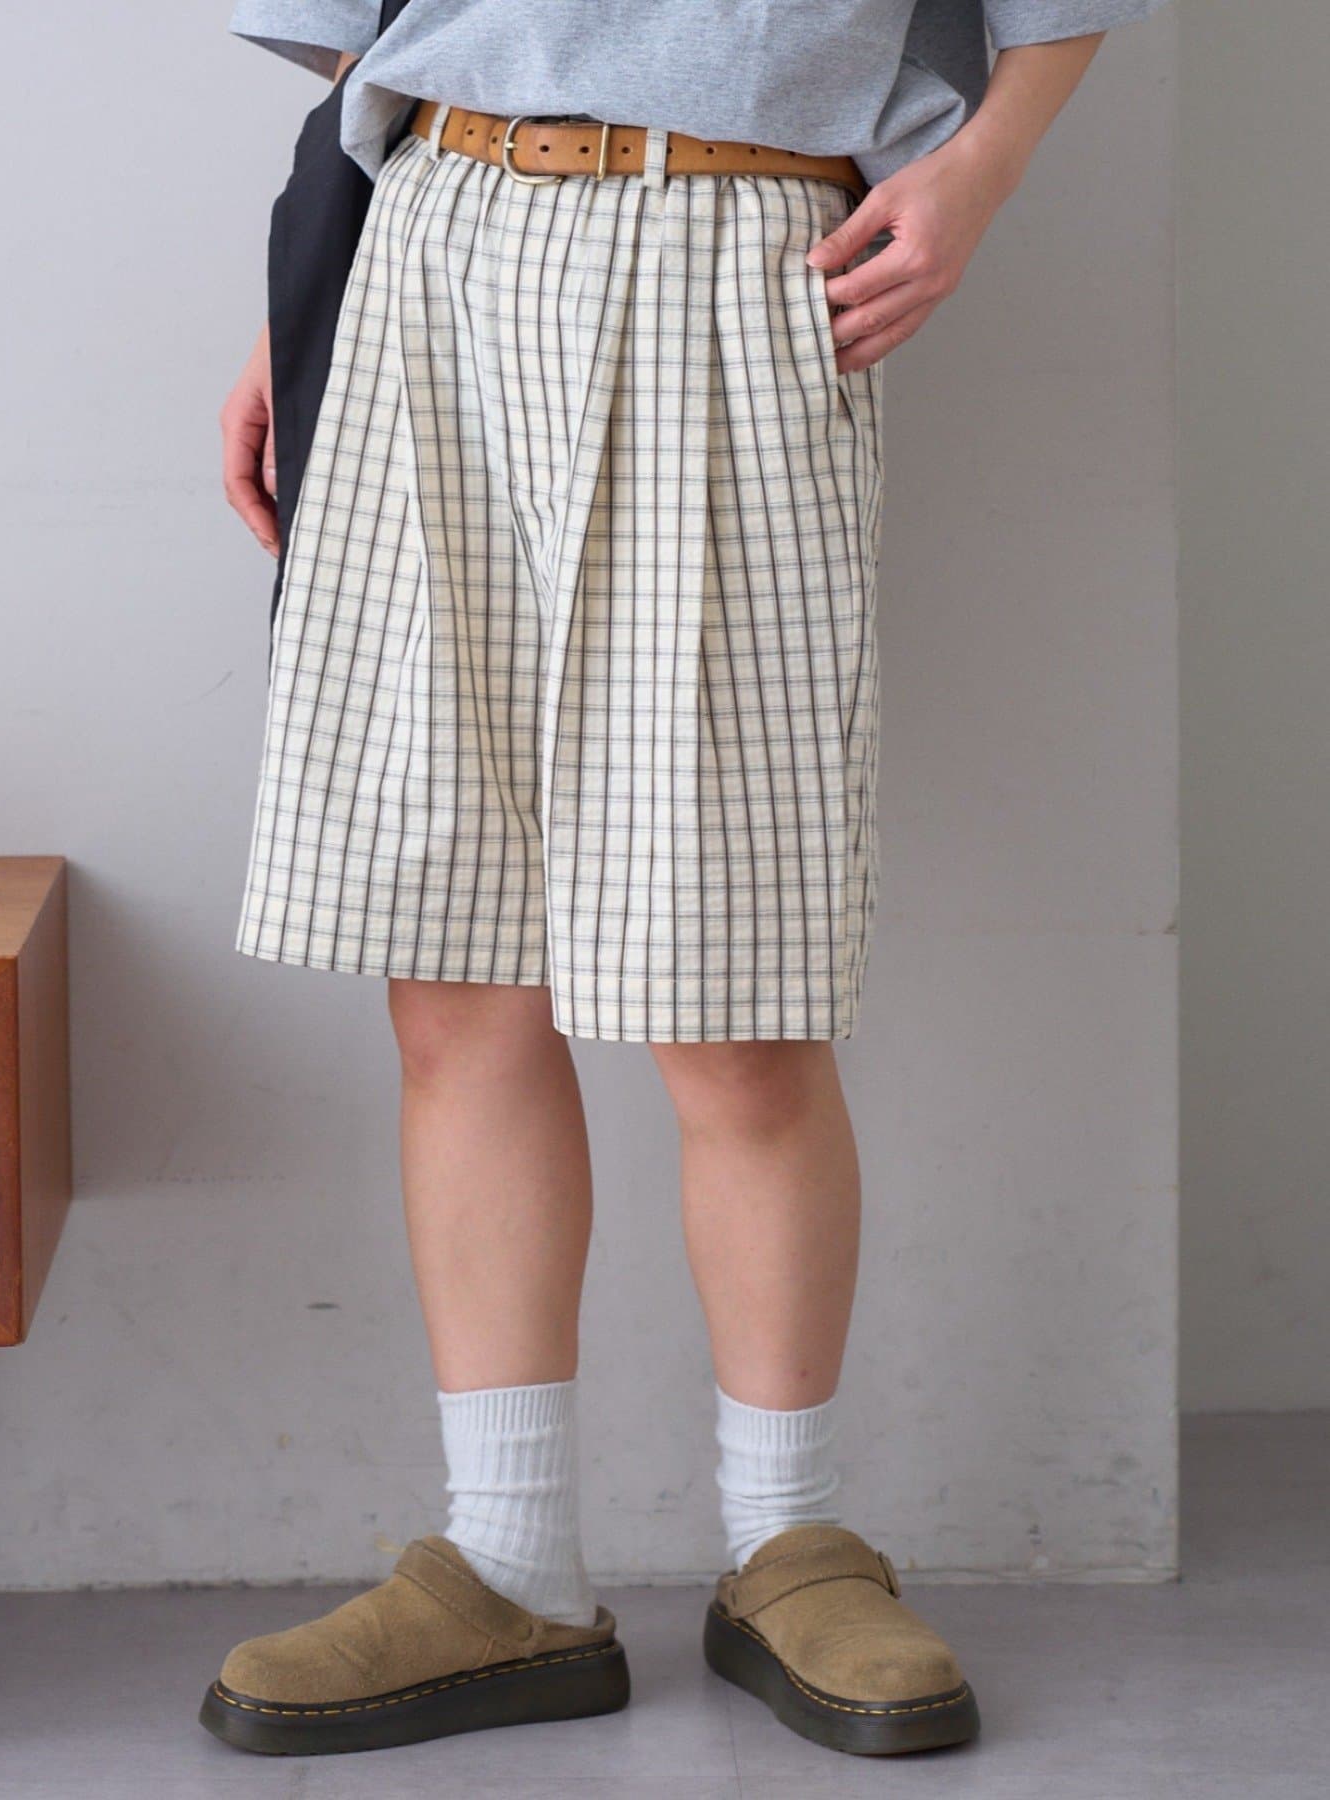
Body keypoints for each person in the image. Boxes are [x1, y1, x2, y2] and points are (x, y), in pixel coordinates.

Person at [206, 0, 1170, 1761]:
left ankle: (789, 1546)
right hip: (434, 243)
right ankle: (508, 1564)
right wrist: (311, 294)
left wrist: (981, 172)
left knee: (736, 994)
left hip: (742, 246)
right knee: (454, 978)